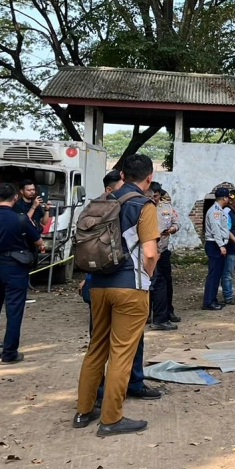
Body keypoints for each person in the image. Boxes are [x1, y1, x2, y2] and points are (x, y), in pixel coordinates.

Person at [73, 153, 160, 437]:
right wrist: (146, 276)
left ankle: (83, 411)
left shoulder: (102, 201)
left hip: (97, 284)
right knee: (122, 352)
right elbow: (149, 253)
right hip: (129, 287)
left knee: (96, 346)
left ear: (121, 175)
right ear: (149, 178)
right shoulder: (143, 204)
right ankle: (111, 418)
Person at [0, 182, 45, 363]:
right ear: (15, 197)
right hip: (15, 267)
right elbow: (38, 241)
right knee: (14, 311)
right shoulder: (20, 219)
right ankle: (9, 353)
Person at [149, 182, 180, 328]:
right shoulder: (144, 208)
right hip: (148, 253)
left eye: (156, 196)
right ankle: (147, 313)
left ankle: (168, 311)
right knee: (149, 284)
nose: (154, 198)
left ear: (160, 195)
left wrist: (172, 229)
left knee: (166, 283)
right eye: (151, 195)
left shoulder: (167, 208)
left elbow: (177, 223)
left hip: (163, 250)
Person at [202, 187, 230, 310]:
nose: (228, 199)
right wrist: (221, 245)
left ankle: (212, 299)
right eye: (228, 197)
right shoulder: (215, 212)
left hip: (217, 244)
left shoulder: (219, 210)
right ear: (224, 198)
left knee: (217, 274)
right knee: (213, 274)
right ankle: (209, 302)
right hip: (214, 244)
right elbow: (216, 230)